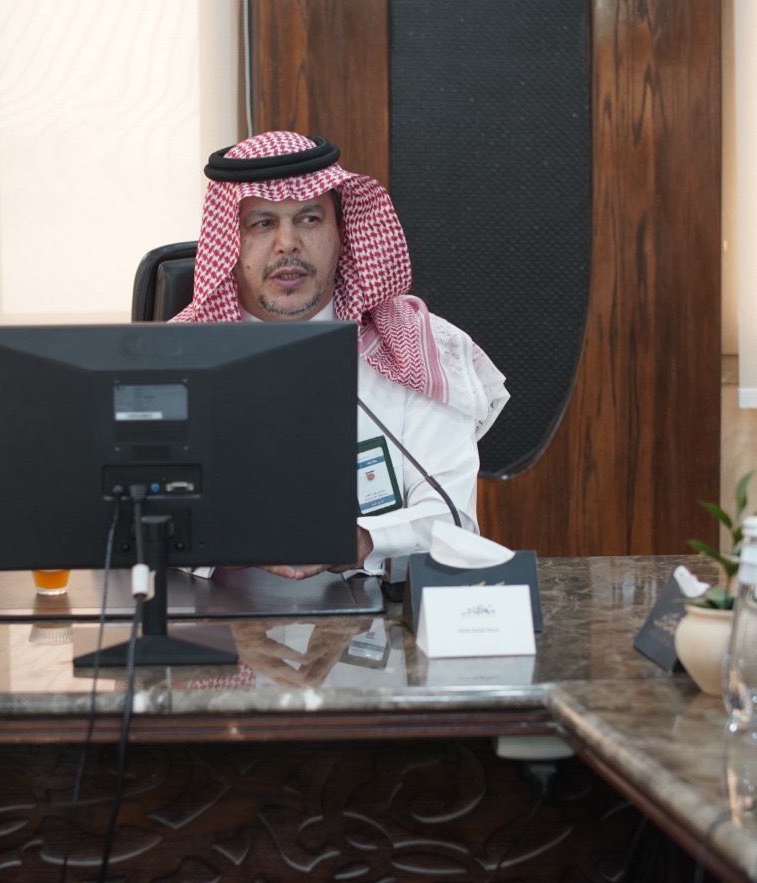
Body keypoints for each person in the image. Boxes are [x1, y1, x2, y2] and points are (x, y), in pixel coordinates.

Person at [172, 131, 509, 579]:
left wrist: (363, 541)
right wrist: (229, 538)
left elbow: (453, 522)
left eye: (309, 219)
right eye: (262, 223)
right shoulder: (175, 360)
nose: (287, 243)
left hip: (376, 609)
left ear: (342, 234)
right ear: (229, 243)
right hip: (210, 611)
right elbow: (136, 523)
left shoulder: (415, 345)